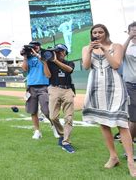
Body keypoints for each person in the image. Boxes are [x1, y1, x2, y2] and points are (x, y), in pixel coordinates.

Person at [82, 24, 135, 177]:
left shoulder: (116, 46)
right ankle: (113, 156)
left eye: (100, 32)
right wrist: (91, 50)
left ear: (106, 33)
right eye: (94, 32)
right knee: (104, 123)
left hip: (115, 87)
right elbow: (86, 66)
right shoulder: (86, 48)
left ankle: (131, 161)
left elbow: (116, 64)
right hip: (96, 87)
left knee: (121, 123)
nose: (97, 34)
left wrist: (105, 50)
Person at [42, 44, 76, 153]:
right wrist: (45, 62)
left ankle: (66, 142)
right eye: (57, 51)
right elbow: (47, 75)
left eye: (61, 51)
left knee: (69, 118)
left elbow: (69, 70)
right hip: (54, 89)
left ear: (65, 52)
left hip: (67, 90)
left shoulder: (69, 63)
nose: (59, 53)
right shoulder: (50, 63)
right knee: (52, 117)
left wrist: (56, 61)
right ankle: (62, 134)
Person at [21, 41, 55, 139]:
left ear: (39, 47)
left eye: (35, 47)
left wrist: (38, 55)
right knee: (33, 111)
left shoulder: (45, 55)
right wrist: (25, 57)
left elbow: (48, 68)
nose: (34, 49)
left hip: (44, 85)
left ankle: (54, 126)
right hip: (31, 85)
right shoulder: (29, 57)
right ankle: (37, 131)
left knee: (46, 110)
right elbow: (24, 69)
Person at [123, 22, 136, 142]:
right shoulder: (127, 48)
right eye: (133, 31)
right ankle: (129, 146)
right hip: (131, 86)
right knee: (134, 117)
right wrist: (129, 38)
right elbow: (120, 55)